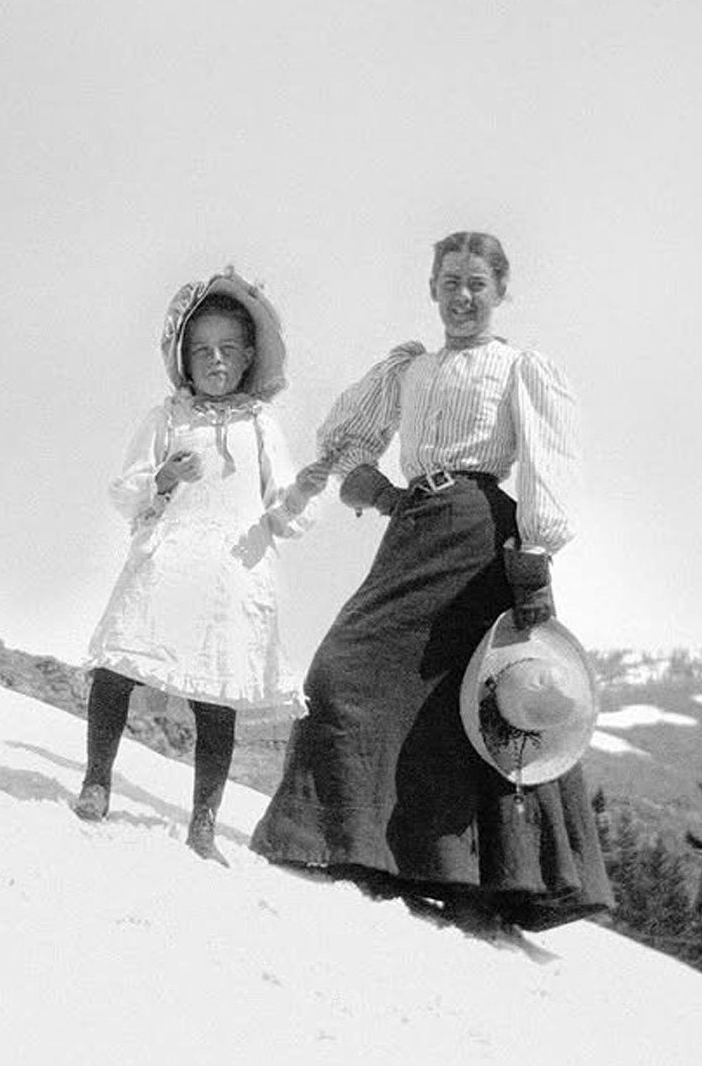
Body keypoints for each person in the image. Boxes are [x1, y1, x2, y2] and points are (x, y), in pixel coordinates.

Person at [249, 231, 613, 932]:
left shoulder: (517, 368)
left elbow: (548, 459)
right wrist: (373, 490)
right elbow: (347, 441)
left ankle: (486, 886)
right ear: (431, 289)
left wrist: (534, 555)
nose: (462, 295)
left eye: (477, 282)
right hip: (415, 528)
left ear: (500, 291)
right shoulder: (407, 370)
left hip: (483, 535)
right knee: (341, 671)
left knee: (475, 702)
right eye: (449, 281)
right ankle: (353, 846)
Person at [75, 269, 325, 866]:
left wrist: (297, 498)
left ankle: (204, 822)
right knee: (119, 665)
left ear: (247, 359)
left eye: (228, 350)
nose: (215, 361)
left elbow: (281, 502)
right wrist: (163, 478)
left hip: (233, 570)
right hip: (172, 555)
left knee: (217, 695)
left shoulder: (260, 425)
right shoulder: (168, 419)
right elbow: (127, 489)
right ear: (184, 358)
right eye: (202, 350)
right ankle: (96, 782)